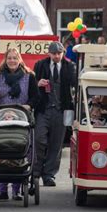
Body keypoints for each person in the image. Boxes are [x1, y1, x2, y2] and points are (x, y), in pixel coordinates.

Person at [0, 48, 39, 200]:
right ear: (5, 59)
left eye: (15, 58)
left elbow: (36, 96)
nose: (12, 61)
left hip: (22, 116)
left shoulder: (29, 77)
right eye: (9, 58)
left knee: (19, 147)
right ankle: (2, 188)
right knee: (2, 146)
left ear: (20, 59)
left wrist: (29, 105)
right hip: (2, 116)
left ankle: (17, 189)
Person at [33, 42, 76, 187]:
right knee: (39, 139)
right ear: (49, 54)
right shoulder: (40, 65)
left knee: (56, 144)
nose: (57, 56)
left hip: (61, 110)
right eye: (54, 53)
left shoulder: (70, 66)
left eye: (59, 53)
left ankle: (49, 175)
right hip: (43, 108)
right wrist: (37, 83)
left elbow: (76, 85)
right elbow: (31, 84)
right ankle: (36, 172)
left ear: (63, 53)